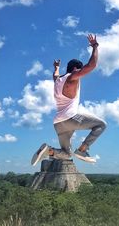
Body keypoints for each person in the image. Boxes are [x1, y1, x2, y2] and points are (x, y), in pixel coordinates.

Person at [31, 34, 106, 165]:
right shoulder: (73, 76)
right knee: (101, 125)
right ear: (76, 69)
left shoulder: (58, 80)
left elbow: (54, 75)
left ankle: (49, 151)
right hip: (70, 118)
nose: (81, 74)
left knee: (66, 154)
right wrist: (95, 46)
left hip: (59, 124)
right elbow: (92, 65)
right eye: (80, 70)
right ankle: (83, 150)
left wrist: (56, 68)